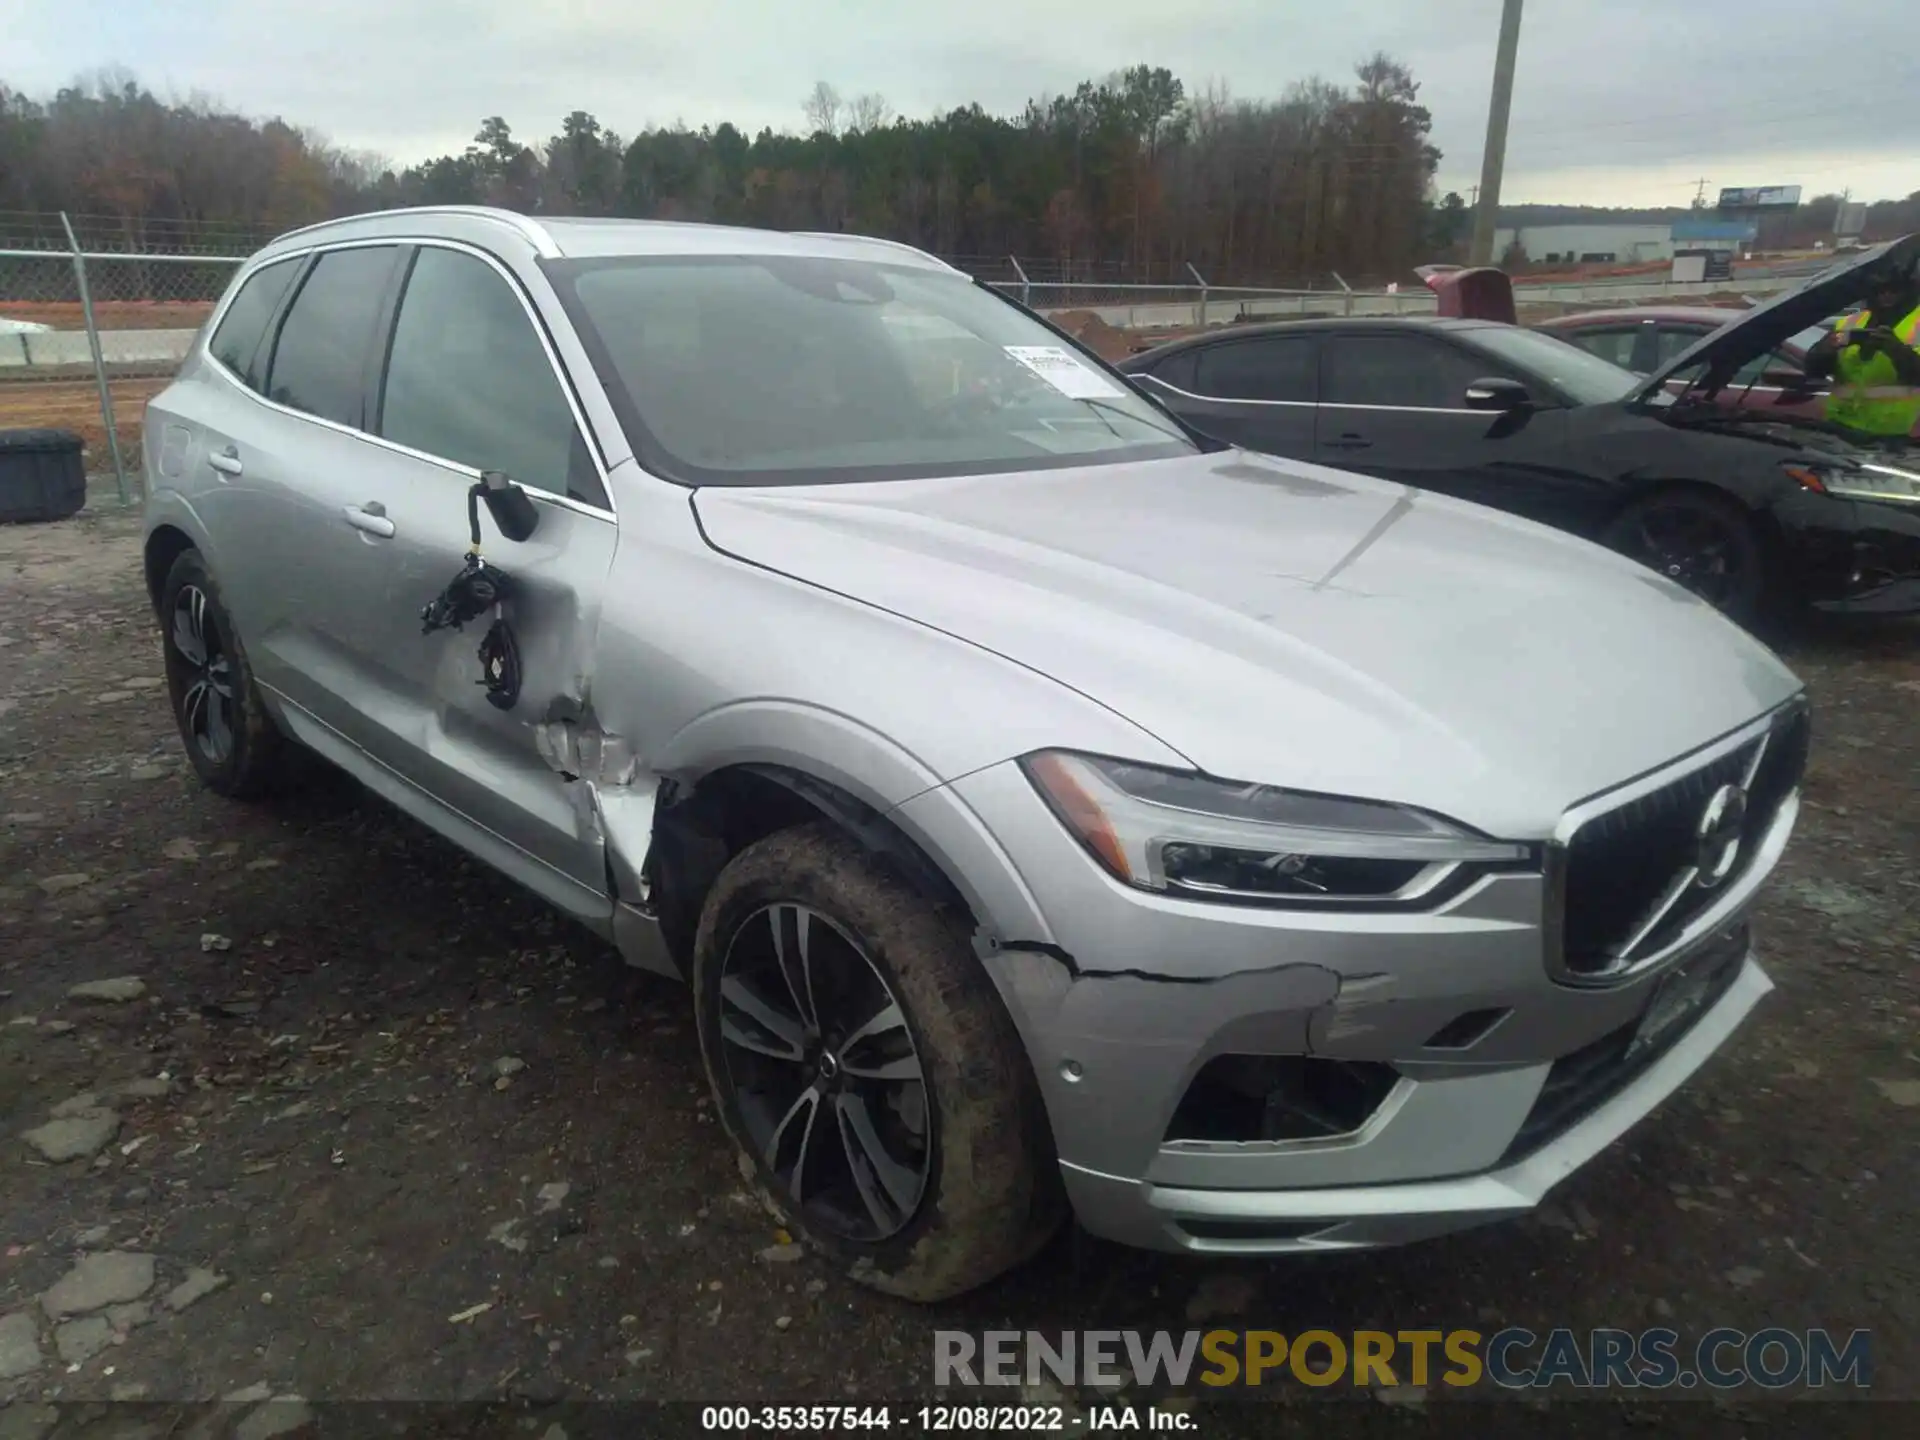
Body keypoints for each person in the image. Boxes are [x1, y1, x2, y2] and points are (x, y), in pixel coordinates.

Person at [1803, 261, 1920, 437]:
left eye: (1894, 290)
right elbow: (1814, 371)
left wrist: (1897, 351)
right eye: (1880, 290)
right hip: (1839, 425)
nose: (1886, 295)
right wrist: (1823, 350)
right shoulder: (1849, 322)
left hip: (1893, 433)